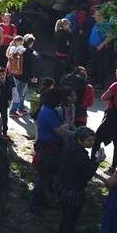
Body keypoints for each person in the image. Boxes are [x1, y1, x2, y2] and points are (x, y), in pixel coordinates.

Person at [54, 127, 103, 233]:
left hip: (63, 187)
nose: (92, 143)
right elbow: (86, 175)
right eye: (89, 140)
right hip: (74, 192)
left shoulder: (70, 148)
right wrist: (96, 162)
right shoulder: (81, 155)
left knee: (65, 220)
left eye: (93, 140)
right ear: (80, 140)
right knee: (70, 224)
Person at [32, 86, 67, 214]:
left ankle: (42, 200)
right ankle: (35, 203)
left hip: (49, 147)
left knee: (48, 178)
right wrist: (67, 125)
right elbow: (59, 131)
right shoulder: (50, 113)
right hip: (48, 149)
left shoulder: (47, 110)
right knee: (43, 178)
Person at [88, 7, 114, 88]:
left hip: (100, 48)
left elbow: (110, 36)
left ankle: (100, 83)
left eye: (96, 15)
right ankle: (93, 80)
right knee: (94, 64)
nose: (94, 16)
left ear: (101, 16)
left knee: (101, 66)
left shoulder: (106, 24)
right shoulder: (97, 23)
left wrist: (101, 45)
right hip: (93, 48)